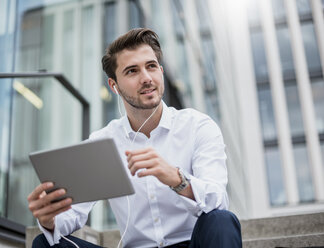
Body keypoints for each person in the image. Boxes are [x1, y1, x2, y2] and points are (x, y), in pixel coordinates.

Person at [28, 28, 242, 248]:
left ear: (160, 71)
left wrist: (177, 179)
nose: (146, 78)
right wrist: (49, 219)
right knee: (45, 243)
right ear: (114, 86)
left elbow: (217, 200)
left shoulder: (198, 126)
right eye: (132, 71)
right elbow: (73, 214)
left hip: (192, 244)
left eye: (151, 67)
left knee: (222, 220)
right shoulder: (103, 142)